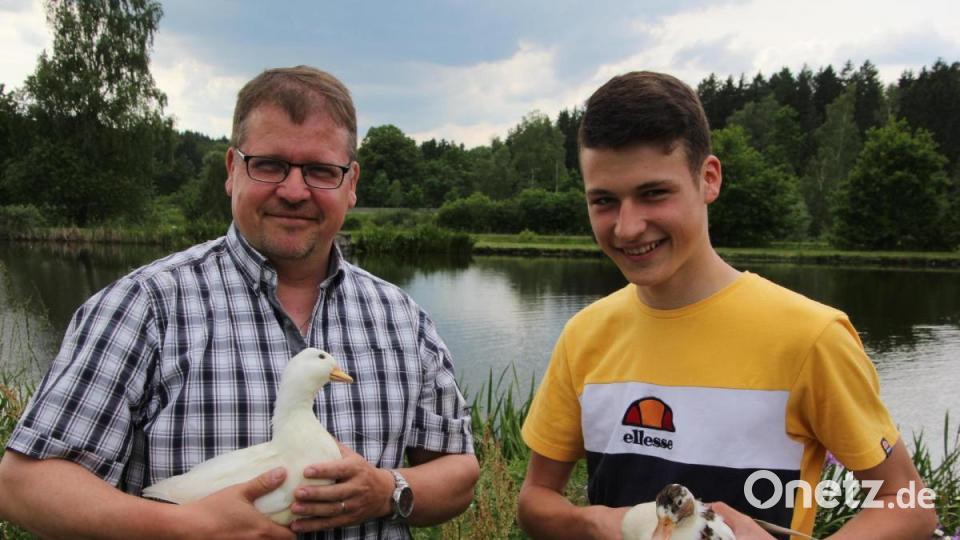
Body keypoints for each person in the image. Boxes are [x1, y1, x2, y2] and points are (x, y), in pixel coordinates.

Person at [0, 65, 478, 540]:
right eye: (269, 165)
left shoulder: (403, 319)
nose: (294, 191)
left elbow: (457, 472)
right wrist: (181, 527)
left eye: (319, 171)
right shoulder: (143, 306)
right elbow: (24, 485)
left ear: (351, 183)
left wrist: (386, 489)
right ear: (232, 170)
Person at [516, 71, 938, 539]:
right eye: (604, 201)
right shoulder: (584, 334)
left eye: (654, 193)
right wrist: (601, 523)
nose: (628, 227)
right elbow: (535, 501)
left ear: (708, 179)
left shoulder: (810, 336)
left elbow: (909, 505)